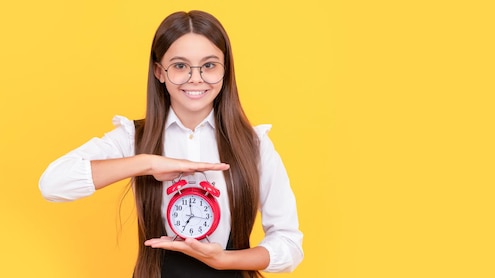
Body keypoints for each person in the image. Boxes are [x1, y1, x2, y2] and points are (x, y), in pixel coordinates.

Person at [39, 10, 303, 278]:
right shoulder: (134, 137)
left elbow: (289, 244)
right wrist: (147, 162)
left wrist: (223, 260)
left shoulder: (254, 144)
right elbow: (53, 184)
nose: (196, 78)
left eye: (209, 65)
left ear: (226, 70)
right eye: (180, 66)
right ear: (159, 72)